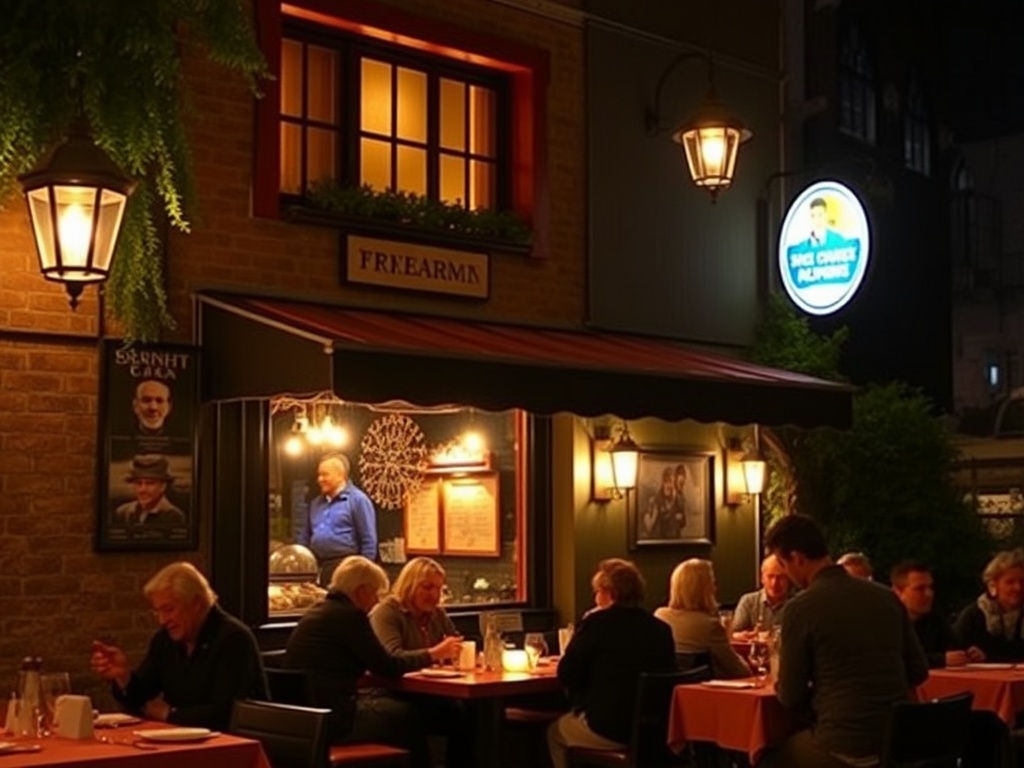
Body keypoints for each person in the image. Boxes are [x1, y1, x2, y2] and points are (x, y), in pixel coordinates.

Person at [760, 515, 928, 768]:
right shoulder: (887, 597)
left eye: (783, 564)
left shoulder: (801, 609)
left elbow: (791, 698)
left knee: (767, 757)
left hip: (844, 746)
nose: (786, 573)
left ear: (797, 558)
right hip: (897, 743)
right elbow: (918, 671)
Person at [285, 556, 432, 768]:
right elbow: (388, 666)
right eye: (376, 593)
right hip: (334, 723)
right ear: (362, 592)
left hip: (304, 720)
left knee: (396, 712)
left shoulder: (317, 611)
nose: (376, 601)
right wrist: (431, 655)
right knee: (410, 716)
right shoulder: (350, 616)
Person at [90, 562, 267, 731]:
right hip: (179, 744)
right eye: (157, 611)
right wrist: (124, 676)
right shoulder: (165, 640)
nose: (162, 620)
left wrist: (171, 714)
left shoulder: (233, 639)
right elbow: (142, 699)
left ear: (196, 603)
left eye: (169, 609)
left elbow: (228, 714)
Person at [548, 558, 675, 768]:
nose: (596, 598)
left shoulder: (596, 624)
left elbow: (567, 674)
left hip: (609, 729)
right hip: (656, 732)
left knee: (554, 733)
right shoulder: (661, 629)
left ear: (609, 593)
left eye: (597, 592)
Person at [369, 557, 469, 768]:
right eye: (427, 587)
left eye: (439, 589)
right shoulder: (386, 612)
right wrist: (434, 654)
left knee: (470, 714)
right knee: (425, 717)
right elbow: (391, 657)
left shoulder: (437, 614)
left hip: (429, 694)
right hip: (388, 693)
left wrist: (462, 654)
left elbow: (455, 644)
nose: (434, 595)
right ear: (409, 584)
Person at [654, 559, 750, 679]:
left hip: (664, 691)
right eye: (712, 584)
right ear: (704, 590)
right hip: (699, 692)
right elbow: (737, 670)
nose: (715, 589)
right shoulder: (709, 625)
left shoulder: (660, 615)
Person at [296, 454, 378, 584]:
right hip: (319, 569)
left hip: (347, 569)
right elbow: (304, 536)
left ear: (341, 476)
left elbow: (369, 541)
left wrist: (362, 575)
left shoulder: (358, 500)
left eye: (325, 475)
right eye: (319, 475)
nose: (320, 479)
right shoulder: (315, 503)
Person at [890, 560, 980, 668]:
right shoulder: (886, 622)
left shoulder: (934, 617)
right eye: (919, 589)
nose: (928, 594)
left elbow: (955, 643)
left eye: (930, 587)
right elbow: (894, 659)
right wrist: (940, 660)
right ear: (897, 592)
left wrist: (971, 652)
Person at [953, 548, 1024, 662]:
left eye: (1022, 581)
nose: (1018, 588)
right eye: (1010, 582)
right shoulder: (973, 616)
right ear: (993, 585)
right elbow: (953, 650)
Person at [113, 454, 186, 526]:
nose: (142, 489)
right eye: (138, 483)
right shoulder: (123, 512)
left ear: (163, 486)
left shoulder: (174, 517)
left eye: (150, 483)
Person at [731, 554, 794, 635]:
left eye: (780, 577)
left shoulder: (796, 604)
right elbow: (735, 634)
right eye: (770, 576)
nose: (774, 583)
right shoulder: (748, 602)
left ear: (789, 579)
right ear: (762, 578)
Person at [641, 466, 679, 539]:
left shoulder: (676, 501)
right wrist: (654, 516)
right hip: (656, 544)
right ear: (663, 482)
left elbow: (680, 523)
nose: (670, 486)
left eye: (673, 483)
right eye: (668, 481)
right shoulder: (654, 500)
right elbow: (648, 527)